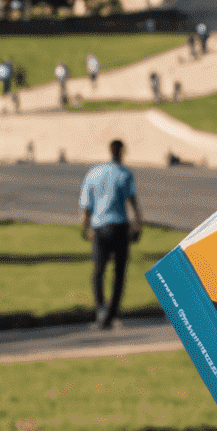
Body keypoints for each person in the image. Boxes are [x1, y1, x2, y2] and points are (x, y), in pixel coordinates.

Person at [78, 138, 141, 329]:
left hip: (100, 227)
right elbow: (132, 202)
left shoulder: (94, 172)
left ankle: (101, 309)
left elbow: (86, 205)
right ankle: (112, 315)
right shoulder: (124, 174)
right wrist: (137, 225)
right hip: (119, 227)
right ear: (121, 152)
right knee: (119, 273)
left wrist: (85, 226)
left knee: (99, 270)